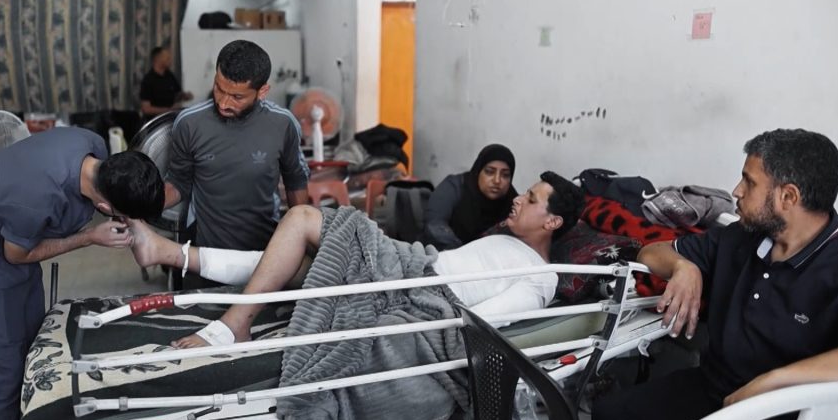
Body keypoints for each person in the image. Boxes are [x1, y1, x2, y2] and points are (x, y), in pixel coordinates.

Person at [593, 128, 838, 420]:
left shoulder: (837, 263)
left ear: (788, 196)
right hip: (713, 387)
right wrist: (683, 267)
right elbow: (651, 252)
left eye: (749, 182)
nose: (736, 191)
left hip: (783, 414)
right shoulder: (742, 237)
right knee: (609, 418)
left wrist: (772, 381)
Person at [131, 171, 586, 348]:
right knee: (294, 257)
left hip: (419, 287)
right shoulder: (505, 239)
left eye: (530, 199)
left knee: (302, 221)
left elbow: (479, 322)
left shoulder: (540, 277)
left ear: (552, 222)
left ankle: (227, 318)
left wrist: (408, 309)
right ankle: (174, 256)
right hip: (410, 263)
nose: (517, 199)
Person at [0, 127, 165, 420]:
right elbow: (16, 254)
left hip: (14, 242)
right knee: (6, 369)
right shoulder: (34, 197)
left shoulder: (91, 145)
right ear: (104, 206)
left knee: (36, 347)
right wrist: (89, 238)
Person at [162, 39, 310, 252]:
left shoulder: (283, 124)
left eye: (237, 97)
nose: (223, 103)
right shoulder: (189, 123)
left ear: (262, 91)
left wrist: (302, 241)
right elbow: (178, 182)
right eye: (218, 88)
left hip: (266, 251)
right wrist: (142, 205)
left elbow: (296, 181)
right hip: (206, 252)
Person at [424, 144, 518, 250]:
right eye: (490, 172)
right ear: (478, 171)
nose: (497, 180)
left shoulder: (514, 202)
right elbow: (434, 225)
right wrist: (464, 252)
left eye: (505, 175)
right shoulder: (455, 187)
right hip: (441, 253)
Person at [139, 46, 192, 118]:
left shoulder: (169, 75)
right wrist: (169, 110)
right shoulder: (148, 80)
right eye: (167, 58)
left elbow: (177, 94)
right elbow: (146, 109)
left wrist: (184, 95)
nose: (170, 60)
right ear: (158, 59)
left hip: (170, 118)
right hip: (156, 120)